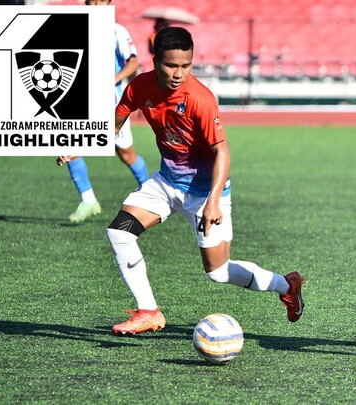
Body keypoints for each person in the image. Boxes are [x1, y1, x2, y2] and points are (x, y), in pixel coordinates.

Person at [94, 26, 302, 335]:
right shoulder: (140, 87)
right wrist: (79, 146)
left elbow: (222, 152)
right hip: (166, 183)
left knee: (218, 272)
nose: (179, 73)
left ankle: (287, 285)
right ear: (155, 60)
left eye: (186, 65)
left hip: (205, 192)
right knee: (119, 233)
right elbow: (116, 120)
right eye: (171, 65)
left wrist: (213, 202)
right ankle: (149, 311)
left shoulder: (200, 99)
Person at [59, 0, 149, 223]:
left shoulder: (117, 31)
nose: (96, 6)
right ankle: (88, 200)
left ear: (109, 5)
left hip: (112, 105)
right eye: (92, 2)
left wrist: (114, 79)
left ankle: (149, 190)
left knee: (126, 155)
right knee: (67, 144)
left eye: (101, 2)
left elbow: (133, 63)